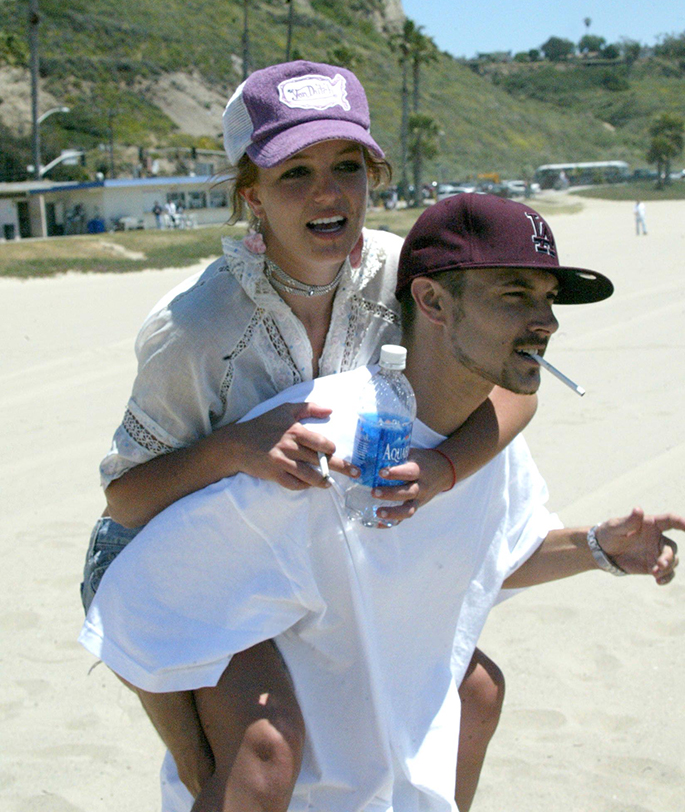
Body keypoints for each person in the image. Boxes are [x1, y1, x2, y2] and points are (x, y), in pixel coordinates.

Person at [80, 193, 683, 812]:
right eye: (514, 295)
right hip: (311, 741)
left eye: (548, 298)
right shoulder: (321, 443)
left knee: (479, 692)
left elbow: (483, 556)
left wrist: (596, 548)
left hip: (387, 734)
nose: (547, 321)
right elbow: (145, 588)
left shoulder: (488, 442)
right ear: (430, 301)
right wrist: (200, 755)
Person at [80, 62, 535, 808]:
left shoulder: (407, 276)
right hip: (174, 567)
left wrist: (443, 468)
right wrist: (238, 446)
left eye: (347, 166)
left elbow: (518, 384)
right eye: (294, 172)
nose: (327, 192)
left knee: (474, 692)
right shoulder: (197, 329)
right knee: (259, 757)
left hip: (319, 554)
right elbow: (124, 503)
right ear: (250, 195)